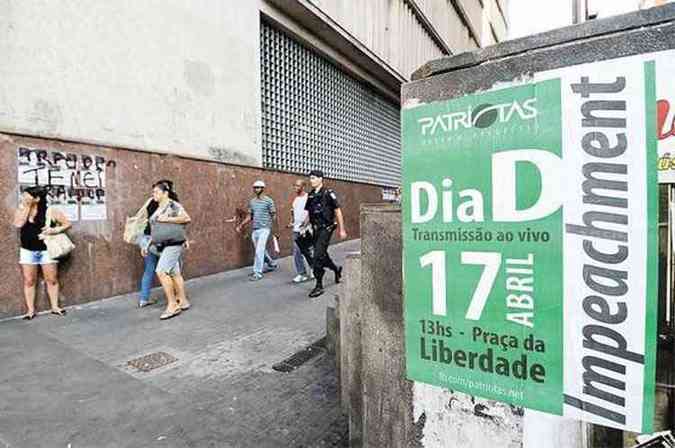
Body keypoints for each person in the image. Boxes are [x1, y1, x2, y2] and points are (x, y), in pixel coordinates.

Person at [12, 186, 71, 319]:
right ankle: (30, 310)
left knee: (52, 279)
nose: (24, 198)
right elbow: (18, 224)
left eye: (27, 196)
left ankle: (55, 307)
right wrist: (26, 207)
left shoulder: (50, 211)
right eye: (23, 195)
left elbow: (67, 224)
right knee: (29, 281)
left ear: (37, 198)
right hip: (27, 250)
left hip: (47, 250)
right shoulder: (22, 209)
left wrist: (54, 230)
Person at [146, 181, 191, 320]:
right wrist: (148, 243)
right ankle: (183, 301)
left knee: (161, 271)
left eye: (156, 192)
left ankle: (172, 305)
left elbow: (186, 218)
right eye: (153, 192)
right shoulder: (159, 207)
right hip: (162, 244)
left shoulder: (173, 205)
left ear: (165, 193)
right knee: (174, 272)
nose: (154, 194)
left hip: (173, 243)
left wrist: (167, 219)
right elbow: (155, 228)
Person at [134, 180, 179, 308]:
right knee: (172, 269)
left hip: (146, 238)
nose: (154, 193)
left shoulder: (151, 202)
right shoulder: (170, 204)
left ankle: (144, 299)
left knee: (150, 268)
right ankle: (176, 297)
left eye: (156, 191)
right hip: (160, 240)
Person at [304, 170, 347, 298]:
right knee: (322, 254)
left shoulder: (328, 193)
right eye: (310, 178)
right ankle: (336, 269)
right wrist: (304, 226)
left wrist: (342, 229)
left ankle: (319, 285)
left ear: (320, 179)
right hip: (315, 229)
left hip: (326, 228)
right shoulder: (311, 195)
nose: (311, 180)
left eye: (313, 178)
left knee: (317, 255)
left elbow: (338, 211)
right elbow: (309, 213)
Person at [235, 180, 279, 281]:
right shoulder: (252, 202)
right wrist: (241, 225)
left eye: (258, 187)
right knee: (260, 250)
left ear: (263, 189)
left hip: (265, 229)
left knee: (259, 251)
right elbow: (250, 216)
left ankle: (257, 273)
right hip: (255, 230)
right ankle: (271, 263)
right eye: (255, 187)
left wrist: (276, 230)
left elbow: (274, 216)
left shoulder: (269, 201)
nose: (256, 189)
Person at [288, 179, 313, 283]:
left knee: (307, 251)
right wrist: (292, 221)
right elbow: (293, 211)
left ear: (303, 186)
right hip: (296, 229)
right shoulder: (296, 199)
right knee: (297, 252)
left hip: (307, 229)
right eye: (294, 185)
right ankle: (302, 273)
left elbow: (311, 212)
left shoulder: (308, 197)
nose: (295, 188)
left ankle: (313, 269)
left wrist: (306, 224)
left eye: (298, 186)